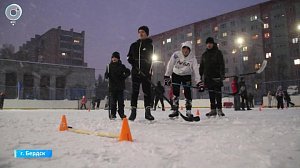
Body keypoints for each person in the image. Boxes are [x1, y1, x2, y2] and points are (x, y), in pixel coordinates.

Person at [164, 41, 201, 119]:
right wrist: (167, 76)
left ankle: (188, 111)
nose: (185, 51)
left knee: (187, 92)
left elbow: (196, 70)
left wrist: (199, 82)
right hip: (176, 74)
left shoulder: (192, 58)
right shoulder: (176, 55)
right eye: (184, 48)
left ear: (190, 50)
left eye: (187, 49)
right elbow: (170, 64)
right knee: (175, 93)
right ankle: (175, 110)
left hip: (186, 75)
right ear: (182, 49)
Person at [127, 25, 155, 121]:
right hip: (135, 73)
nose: (141, 33)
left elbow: (151, 60)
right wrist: (132, 62)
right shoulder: (133, 45)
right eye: (139, 32)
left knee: (147, 92)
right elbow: (128, 57)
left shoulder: (150, 46)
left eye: (142, 32)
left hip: (146, 73)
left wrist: (148, 71)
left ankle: (148, 113)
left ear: (146, 33)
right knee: (134, 92)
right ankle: (133, 112)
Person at [199, 37, 225, 117]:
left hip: (216, 77)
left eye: (210, 43)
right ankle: (213, 110)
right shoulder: (204, 55)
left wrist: (222, 74)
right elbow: (201, 67)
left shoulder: (218, 53)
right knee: (211, 94)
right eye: (207, 43)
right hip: (208, 78)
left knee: (218, 94)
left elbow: (222, 64)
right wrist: (200, 76)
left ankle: (219, 109)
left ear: (213, 44)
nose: (209, 45)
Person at [105, 51, 130, 119]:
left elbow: (128, 72)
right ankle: (113, 114)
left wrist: (124, 76)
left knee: (120, 102)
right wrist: (107, 75)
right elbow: (106, 75)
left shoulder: (122, 66)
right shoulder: (109, 66)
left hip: (120, 87)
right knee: (113, 102)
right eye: (113, 57)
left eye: (115, 57)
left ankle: (121, 113)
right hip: (112, 87)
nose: (114, 59)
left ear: (118, 58)